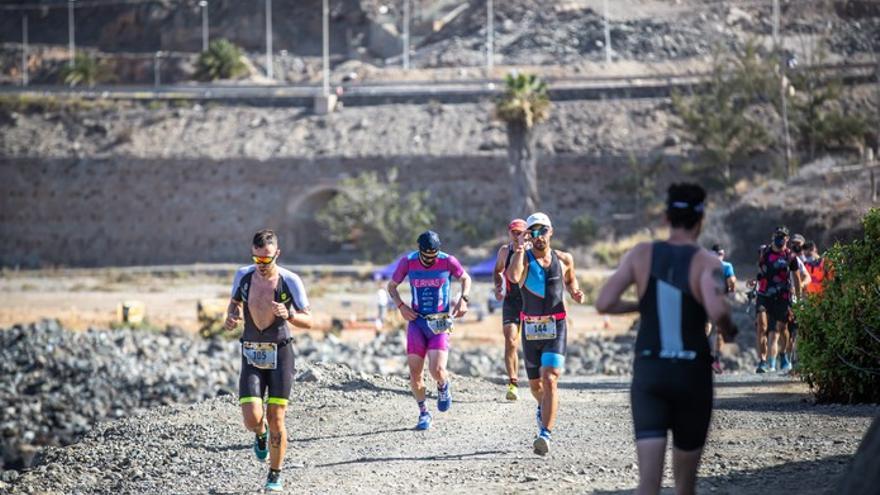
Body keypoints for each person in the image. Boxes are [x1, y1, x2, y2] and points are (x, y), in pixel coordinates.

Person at [595, 183, 738, 495]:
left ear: (665, 218)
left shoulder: (641, 254)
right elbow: (717, 310)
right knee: (685, 485)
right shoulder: (707, 262)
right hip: (691, 375)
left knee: (648, 484)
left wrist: (641, 304)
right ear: (701, 222)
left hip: (651, 374)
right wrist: (730, 329)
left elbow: (604, 302)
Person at [224, 229, 313, 492]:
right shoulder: (243, 276)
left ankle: (275, 473)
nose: (262, 265)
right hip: (251, 351)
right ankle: (260, 435)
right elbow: (234, 304)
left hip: (281, 353)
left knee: (276, 417)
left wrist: (289, 315)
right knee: (252, 418)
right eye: (257, 259)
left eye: (267, 259)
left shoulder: (290, 280)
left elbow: (309, 320)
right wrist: (230, 317)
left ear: (278, 254)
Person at [506, 212, 586, 455]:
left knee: (550, 377)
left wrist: (575, 291)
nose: (538, 236)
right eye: (533, 232)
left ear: (551, 232)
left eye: (543, 231)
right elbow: (512, 277)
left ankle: (545, 434)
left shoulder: (563, 259)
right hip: (530, 328)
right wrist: (520, 248)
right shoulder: (524, 259)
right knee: (535, 387)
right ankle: (543, 408)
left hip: (556, 326)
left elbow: (571, 280)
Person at [387, 230, 471, 430]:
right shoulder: (408, 262)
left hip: (439, 322)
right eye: (427, 257)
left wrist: (464, 299)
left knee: (437, 370)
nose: (430, 261)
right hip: (417, 322)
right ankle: (424, 412)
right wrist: (401, 306)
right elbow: (391, 287)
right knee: (415, 374)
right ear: (420, 251)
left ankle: (443, 385)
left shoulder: (448, 261)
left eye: (434, 256)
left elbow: (465, 278)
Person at [755, 227, 801, 372]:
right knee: (762, 327)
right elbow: (760, 270)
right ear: (772, 236)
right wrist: (755, 280)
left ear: (787, 238)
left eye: (783, 236)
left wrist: (798, 300)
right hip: (764, 294)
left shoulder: (790, 256)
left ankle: (783, 355)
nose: (780, 238)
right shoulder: (764, 252)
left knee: (783, 329)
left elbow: (797, 278)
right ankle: (762, 361)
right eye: (777, 235)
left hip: (783, 296)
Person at [493, 218, 528, 401]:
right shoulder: (505, 251)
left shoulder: (531, 251)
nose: (517, 236)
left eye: (521, 232)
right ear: (509, 232)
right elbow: (498, 270)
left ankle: (539, 378)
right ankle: (513, 383)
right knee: (510, 340)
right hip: (511, 301)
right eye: (514, 232)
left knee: (532, 342)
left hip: (531, 302)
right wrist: (499, 287)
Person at [706, 244, 736, 373]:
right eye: (718, 254)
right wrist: (732, 290)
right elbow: (732, 281)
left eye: (721, 254)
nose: (719, 256)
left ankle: (712, 359)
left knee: (711, 330)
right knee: (716, 331)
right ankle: (714, 360)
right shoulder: (726, 266)